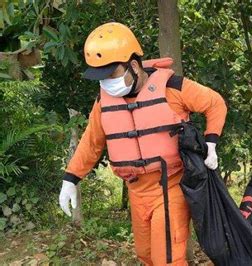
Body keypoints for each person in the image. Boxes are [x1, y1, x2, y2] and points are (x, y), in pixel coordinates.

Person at [58, 22, 227, 265]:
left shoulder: (172, 88)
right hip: (136, 190)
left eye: (110, 74)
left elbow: (215, 103)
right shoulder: (104, 101)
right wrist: (71, 178)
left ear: (134, 66)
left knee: (167, 258)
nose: (105, 82)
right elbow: (92, 141)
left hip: (170, 187)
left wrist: (211, 142)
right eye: (100, 77)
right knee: (146, 255)